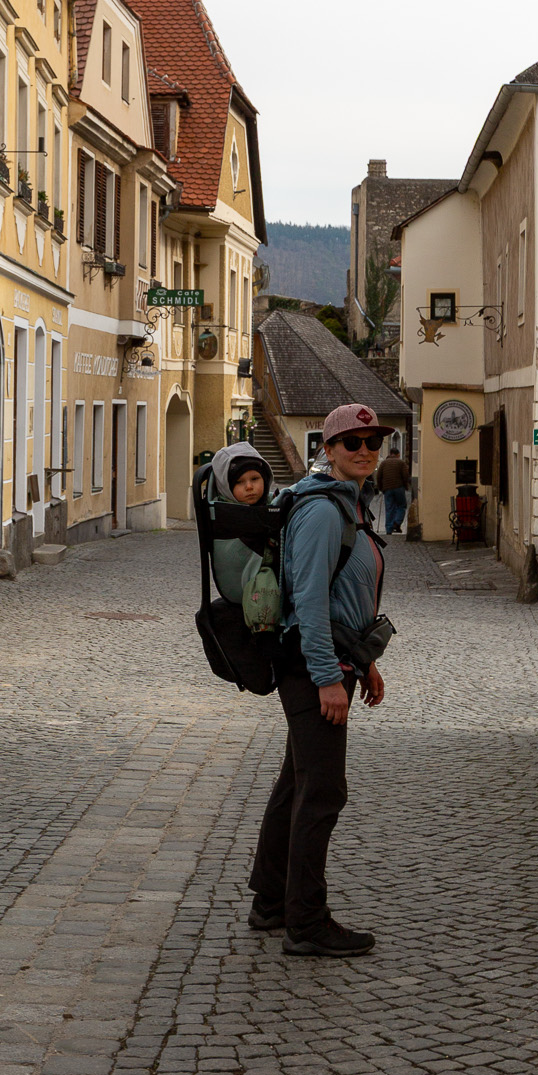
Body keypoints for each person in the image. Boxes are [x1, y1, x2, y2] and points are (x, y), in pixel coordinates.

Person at [248, 402, 389, 957]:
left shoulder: (347, 505)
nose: (363, 450)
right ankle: (306, 924)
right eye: (350, 442)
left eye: (372, 442)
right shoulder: (326, 512)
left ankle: (271, 901)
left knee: (296, 781)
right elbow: (307, 600)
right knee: (324, 790)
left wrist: (367, 660)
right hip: (312, 666)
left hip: (330, 658)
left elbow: (343, 597)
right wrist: (329, 677)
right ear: (327, 450)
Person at [206, 443, 275, 604]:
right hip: (247, 588)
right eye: (239, 482)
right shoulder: (228, 514)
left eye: (255, 479)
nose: (249, 487)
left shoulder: (269, 502)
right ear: (226, 487)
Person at [377, 443, 408, 535]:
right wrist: (406, 486)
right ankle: (397, 522)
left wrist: (381, 488)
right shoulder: (401, 463)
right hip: (399, 487)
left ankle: (389, 529)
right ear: (398, 454)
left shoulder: (383, 463)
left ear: (390, 453)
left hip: (387, 489)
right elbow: (405, 476)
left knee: (389, 508)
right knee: (402, 506)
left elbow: (379, 476)